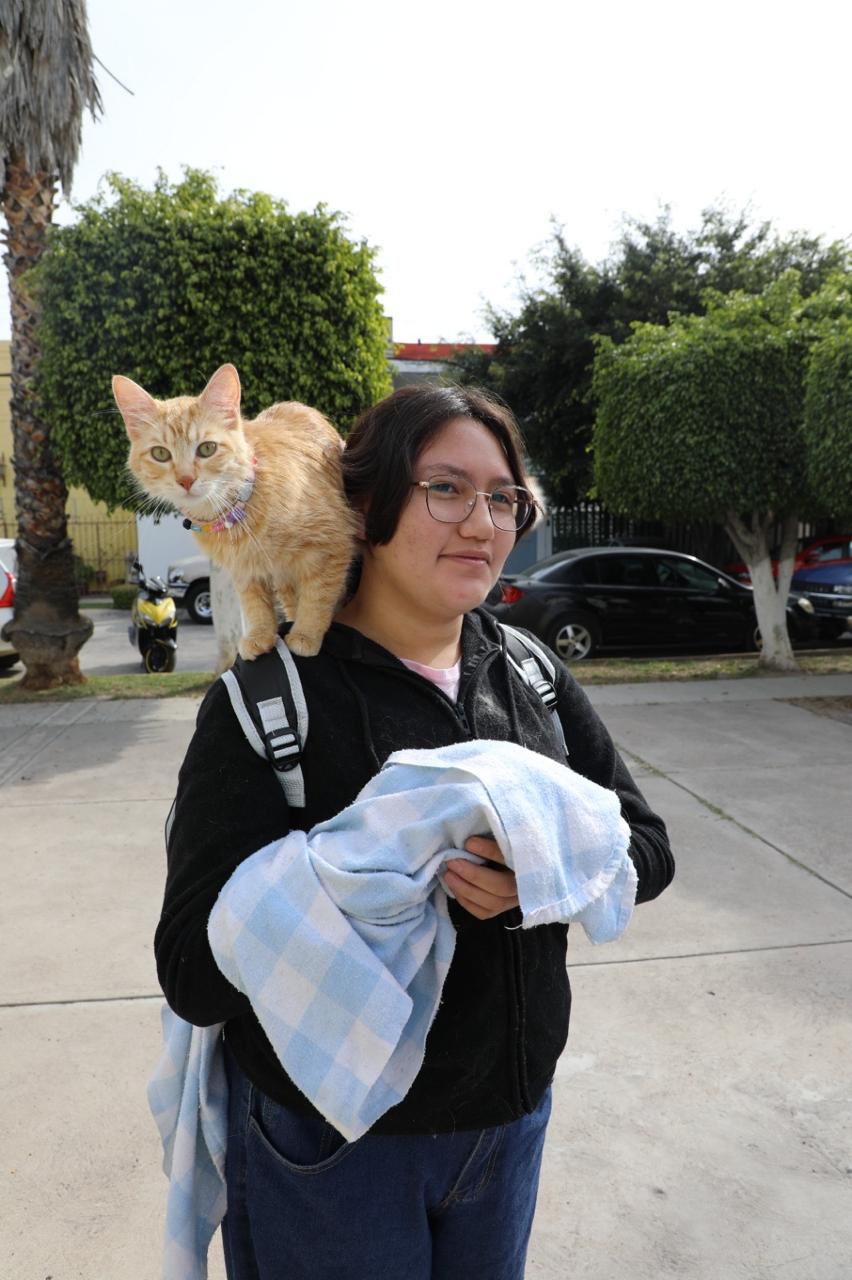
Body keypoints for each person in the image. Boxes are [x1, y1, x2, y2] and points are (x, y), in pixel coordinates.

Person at [155, 382, 675, 1280]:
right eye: (445, 489)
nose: (481, 521)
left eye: (503, 496)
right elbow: (192, 973)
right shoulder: (270, 703)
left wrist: (537, 875)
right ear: (367, 502)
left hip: (507, 1127)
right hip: (330, 1151)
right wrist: (347, 895)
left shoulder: (529, 675)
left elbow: (648, 848)